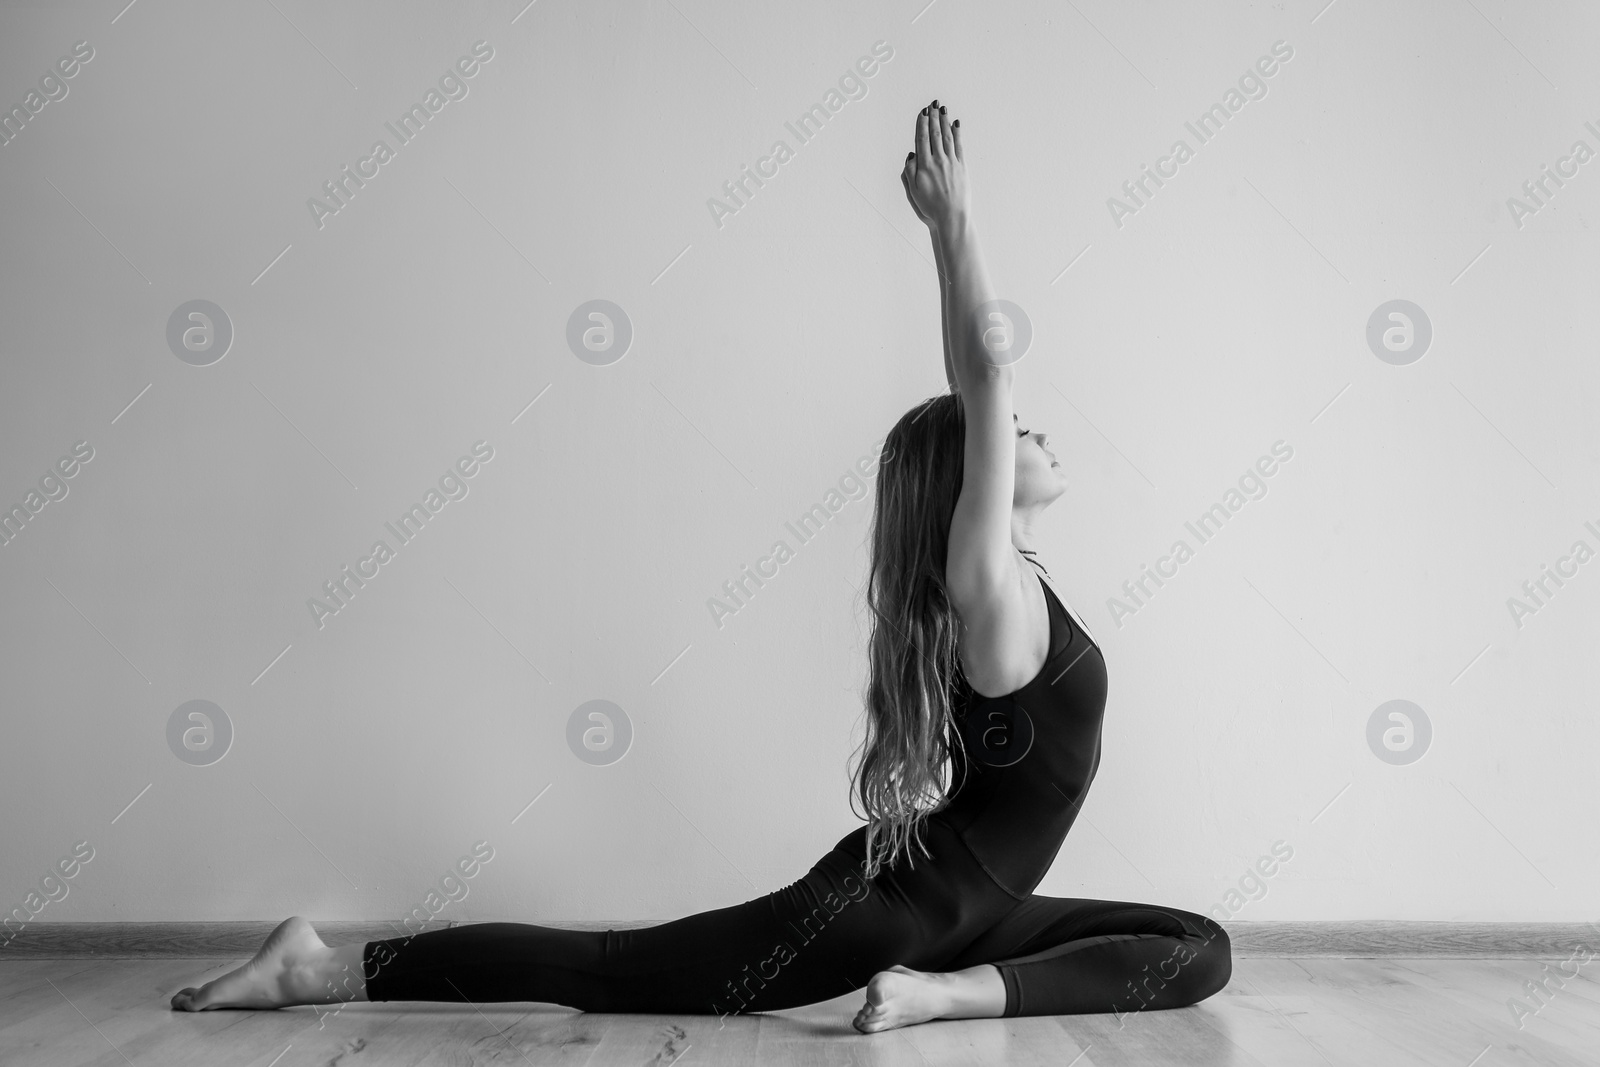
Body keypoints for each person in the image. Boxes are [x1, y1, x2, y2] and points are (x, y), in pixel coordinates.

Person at [171, 99, 1230, 1033]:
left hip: (970, 909)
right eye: (1013, 435)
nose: (1035, 433)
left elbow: (988, 393)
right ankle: (319, 966)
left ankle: (940, 992)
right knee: (612, 969)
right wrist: (953, 224)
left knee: (1197, 945)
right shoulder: (988, 588)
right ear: (974, 480)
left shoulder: (999, 587)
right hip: (893, 903)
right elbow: (987, 374)